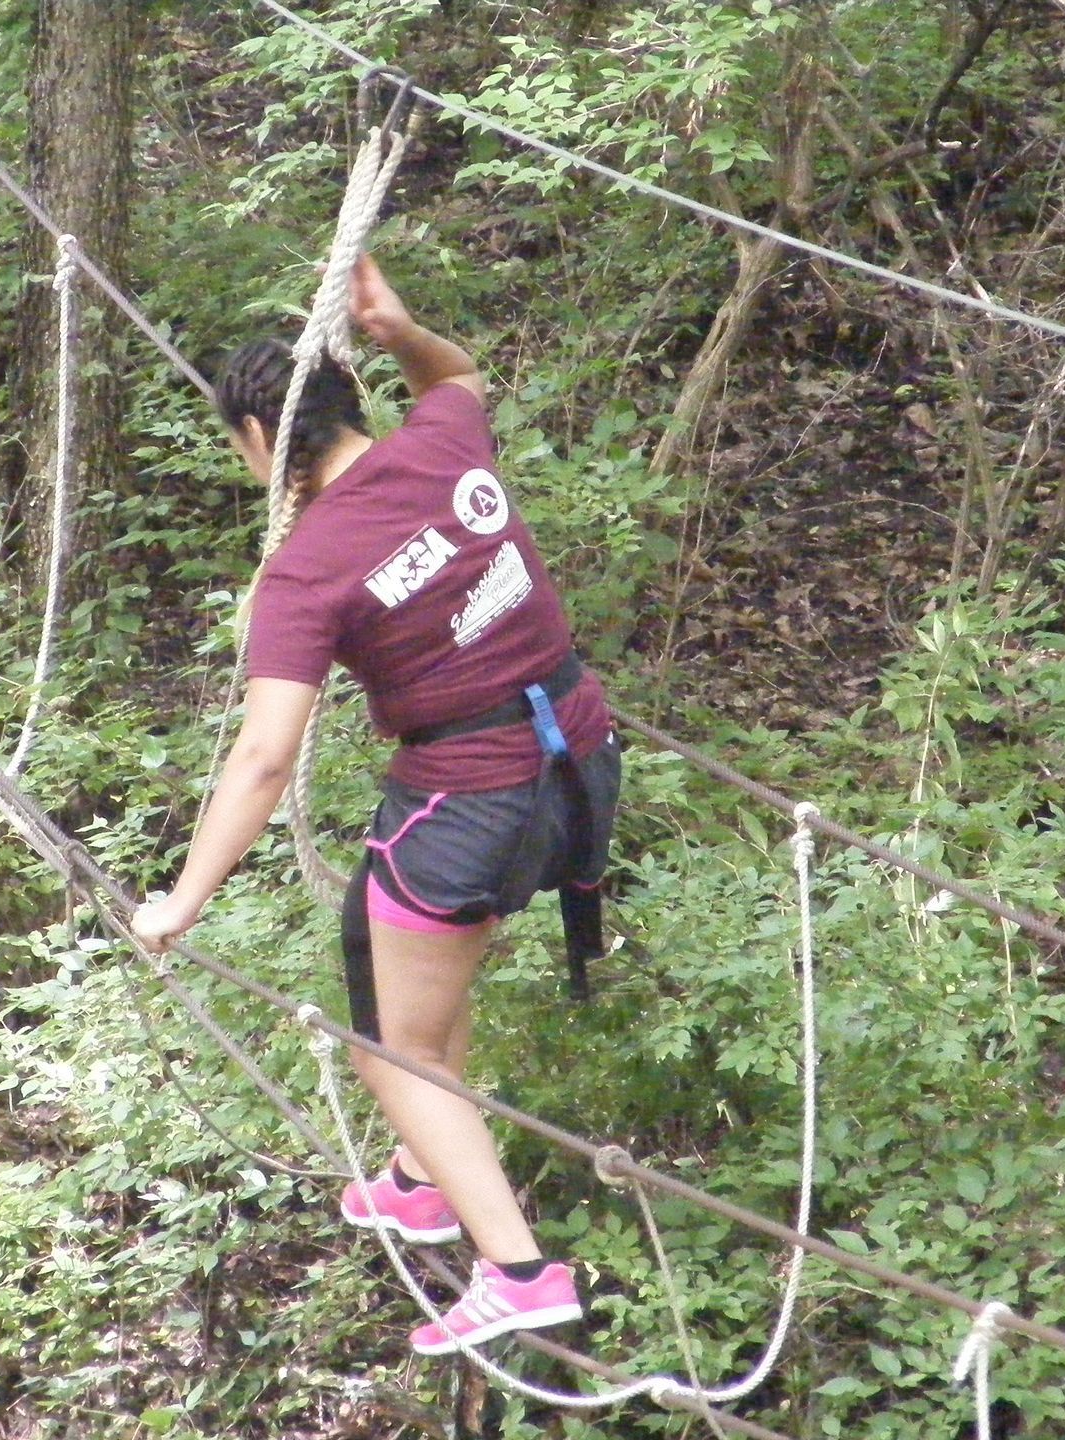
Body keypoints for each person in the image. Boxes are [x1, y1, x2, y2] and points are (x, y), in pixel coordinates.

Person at [131, 253, 621, 1356]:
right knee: (424, 981)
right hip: (576, 765)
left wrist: (182, 902)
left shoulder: (305, 571)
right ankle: (414, 1177)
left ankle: (521, 1271)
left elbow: (265, 756)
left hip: (467, 806)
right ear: (355, 404)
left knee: (391, 1053)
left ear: (260, 443)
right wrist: (401, 327)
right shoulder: (441, 439)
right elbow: (461, 374)